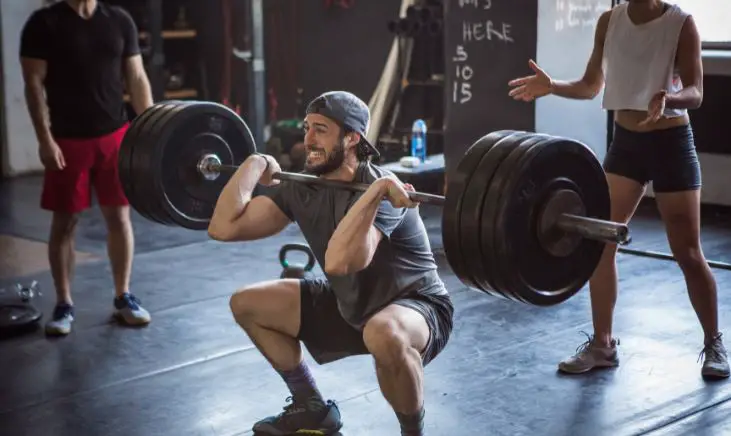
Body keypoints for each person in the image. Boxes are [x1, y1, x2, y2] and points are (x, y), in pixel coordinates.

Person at [208, 90, 454, 435]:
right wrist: (254, 164)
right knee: (247, 304)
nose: (307, 138)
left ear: (352, 138)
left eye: (320, 129)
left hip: (416, 307)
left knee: (383, 332)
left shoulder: (386, 191)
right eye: (307, 128)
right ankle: (310, 407)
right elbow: (222, 228)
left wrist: (378, 189)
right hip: (351, 305)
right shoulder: (303, 188)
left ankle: (412, 432)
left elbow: (340, 262)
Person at [507, 0, 728, 379]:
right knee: (600, 242)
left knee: (688, 252)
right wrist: (552, 86)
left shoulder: (681, 23)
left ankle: (714, 344)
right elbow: (591, 86)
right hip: (627, 144)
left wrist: (669, 98)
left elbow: (696, 92)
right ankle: (602, 345)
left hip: (671, 142)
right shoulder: (610, 21)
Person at [20, 0, 154, 335]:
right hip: (67, 140)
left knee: (119, 217)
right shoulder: (43, 23)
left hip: (115, 136)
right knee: (65, 222)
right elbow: (33, 86)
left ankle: (123, 296)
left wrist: (154, 131)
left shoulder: (119, 20)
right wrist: (45, 139)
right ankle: (64, 303)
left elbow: (136, 77)